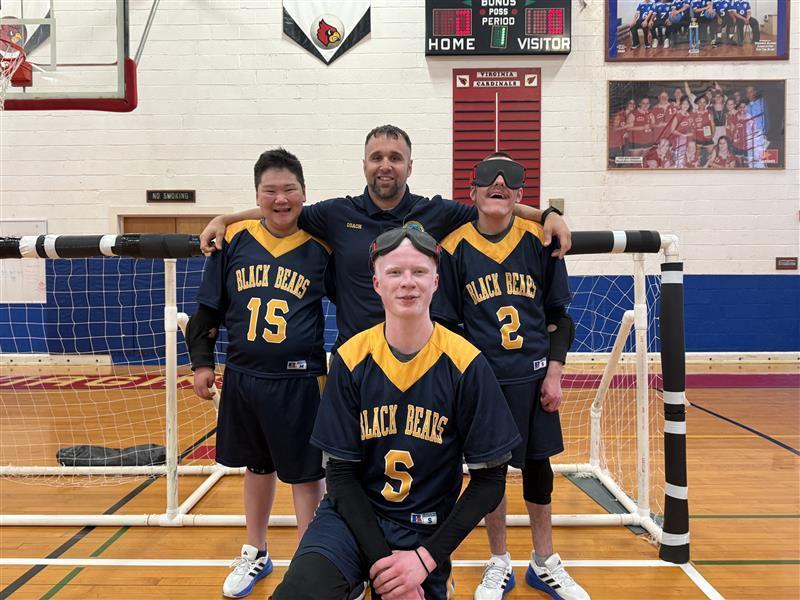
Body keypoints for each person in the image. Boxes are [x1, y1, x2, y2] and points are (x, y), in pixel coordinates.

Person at [270, 227, 521, 600]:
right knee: (300, 592)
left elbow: (490, 481)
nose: (408, 283)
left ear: (436, 281)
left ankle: (437, 580)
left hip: (425, 530)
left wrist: (424, 560)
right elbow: (339, 475)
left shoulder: (467, 364)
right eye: (395, 273)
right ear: (376, 283)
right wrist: (384, 566)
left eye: (419, 272)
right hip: (351, 521)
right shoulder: (351, 358)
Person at [199, 125, 571, 351]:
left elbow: (493, 205)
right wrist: (225, 218)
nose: (385, 165)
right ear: (364, 164)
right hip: (357, 354)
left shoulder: (435, 212)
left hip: (418, 355)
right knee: (348, 462)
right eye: (377, 156)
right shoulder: (335, 214)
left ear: (410, 166)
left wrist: (548, 216)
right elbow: (282, 209)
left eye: (395, 157)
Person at [432, 154, 588, 600]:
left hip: (535, 380)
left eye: (510, 179)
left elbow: (560, 317)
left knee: (539, 470)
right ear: (472, 191)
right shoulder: (455, 246)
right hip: (484, 386)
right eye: (488, 178)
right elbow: (447, 327)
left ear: (521, 195)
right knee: (489, 474)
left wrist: (554, 373)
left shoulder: (540, 241)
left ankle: (544, 561)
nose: (499, 183)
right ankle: (498, 561)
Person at [186, 148, 329, 598]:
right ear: (257, 194)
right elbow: (208, 309)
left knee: (306, 475)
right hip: (245, 377)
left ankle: (311, 562)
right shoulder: (234, 241)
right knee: (257, 465)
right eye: (270, 190)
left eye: (289, 189)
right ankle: (256, 550)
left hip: (301, 378)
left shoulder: (322, 243)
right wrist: (203, 362)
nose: (280, 199)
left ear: (305, 193)